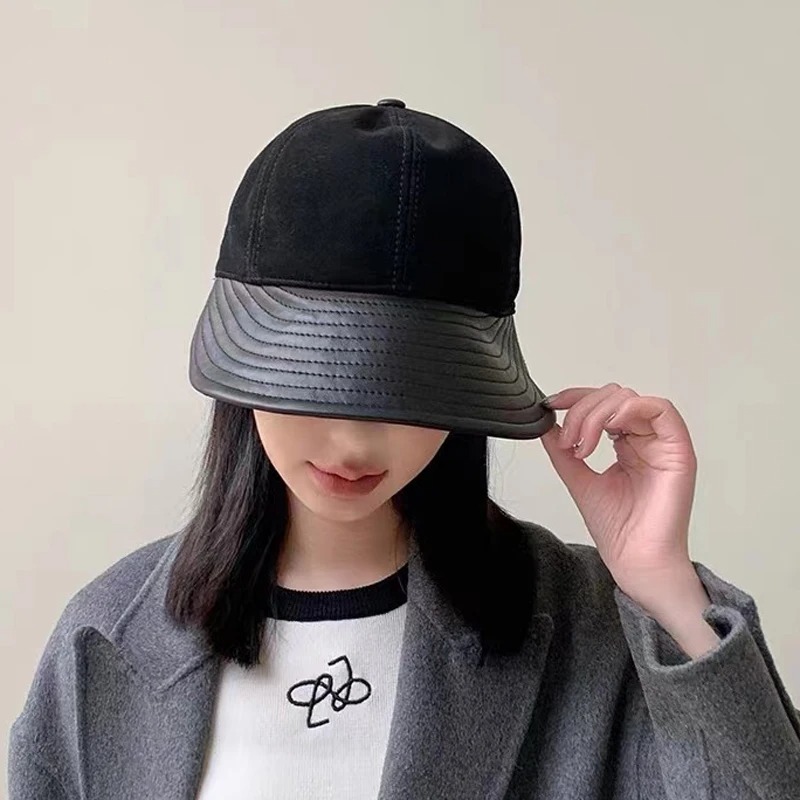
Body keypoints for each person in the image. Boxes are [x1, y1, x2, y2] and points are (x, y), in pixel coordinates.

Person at [8, 98, 800, 800]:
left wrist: (664, 588)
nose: (354, 441)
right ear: (246, 372)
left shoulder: (587, 630)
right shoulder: (107, 639)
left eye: (409, 391)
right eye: (315, 379)